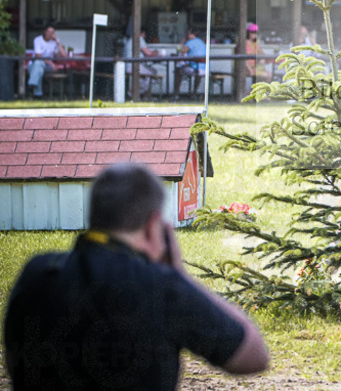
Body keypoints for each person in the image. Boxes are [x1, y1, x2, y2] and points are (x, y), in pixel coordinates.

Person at [3, 164, 269, 389]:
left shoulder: (36, 274)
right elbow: (253, 356)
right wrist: (179, 276)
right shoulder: (160, 286)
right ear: (153, 226)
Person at [27, 26, 66, 97]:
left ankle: (31, 84)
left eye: (53, 32)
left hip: (48, 66)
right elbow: (38, 56)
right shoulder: (38, 40)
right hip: (33, 64)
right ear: (45, 32)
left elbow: (64, 55)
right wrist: (51, 63)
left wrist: (57, 42)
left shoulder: (55, 42)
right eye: (49, 32)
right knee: (39, 66)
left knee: (38, 65)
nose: (51, 34)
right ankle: (38, 95)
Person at [123, 28, 159, 97]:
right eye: (144, 34)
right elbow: (148, 53)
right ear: (141, 33)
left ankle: (145, 94)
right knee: (152, 72)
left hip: (128, 66)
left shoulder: (130, 39)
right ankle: (136, 92)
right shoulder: (139, 38)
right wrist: (156, 52)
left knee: (151, 71)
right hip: (133, 66)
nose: (145, 36)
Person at [175, 27, 206, 95]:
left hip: (195, 67)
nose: (187, 35)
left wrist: (182, 42)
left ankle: (176, 94)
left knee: (178, 71)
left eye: (188, 34)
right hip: (204, 68)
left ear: (192, 34)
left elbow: (181, 52)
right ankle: (194, 93)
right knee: (187, 69)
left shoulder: (190, 42)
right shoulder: (201, 42)